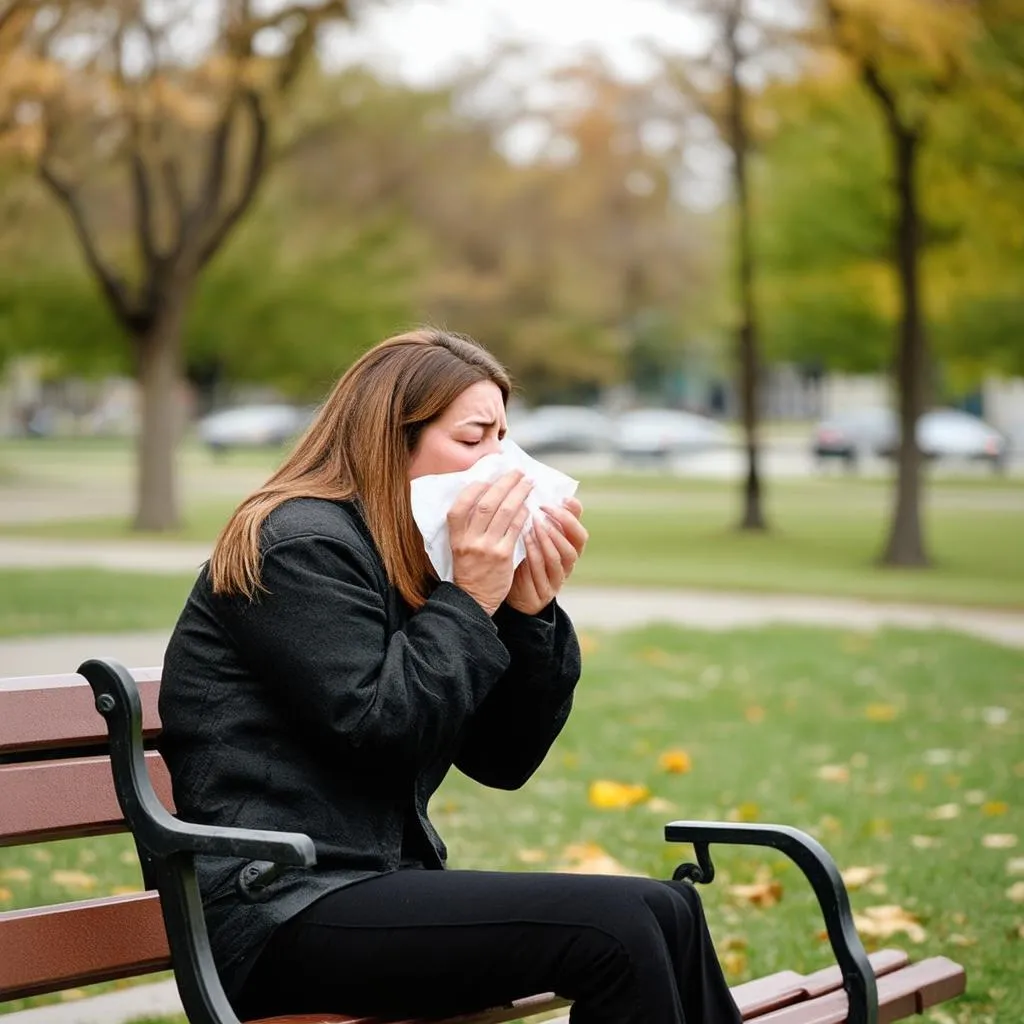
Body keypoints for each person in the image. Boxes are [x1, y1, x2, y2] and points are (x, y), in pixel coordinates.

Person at [159, 328, 742, 1024]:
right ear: (391, 438)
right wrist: (468, 600)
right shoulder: (298, 545)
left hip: (366, 891)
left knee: (667, 907)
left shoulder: (406, 553)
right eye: (474, 439)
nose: (502, 463)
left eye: (504, 436)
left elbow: (504, 760)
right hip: (279, 910)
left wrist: (528, 613)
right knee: (615, 928)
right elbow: (380, 729)